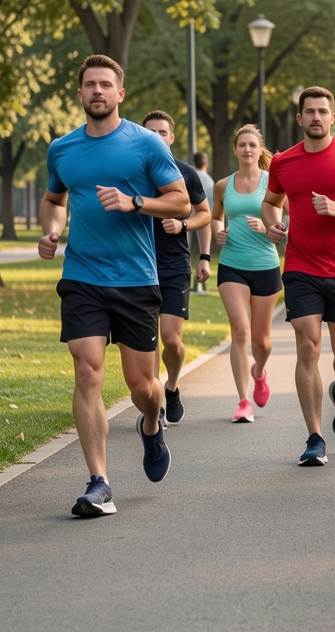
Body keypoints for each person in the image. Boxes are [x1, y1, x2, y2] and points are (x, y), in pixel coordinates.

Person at [39, 55, 191, 518]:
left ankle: (151, 422)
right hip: (82, 275)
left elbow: (181, 203)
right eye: (90, 85)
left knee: (143, 385)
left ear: (120, 94)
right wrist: (52, 229)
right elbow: (53, 199)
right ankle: (98, 482)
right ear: (80, 93)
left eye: (106, 84)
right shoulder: (62, 149)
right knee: (87, 369)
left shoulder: (145, 145)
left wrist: (135, 201)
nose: (98, 91)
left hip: (136, 279)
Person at [261, 87, 335, 466]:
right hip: (300, 268)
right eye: (309, 111)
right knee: (308, 346)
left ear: (333, 117)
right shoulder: (283, 162)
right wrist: (274, 224)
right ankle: (314, 436)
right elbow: (270, 203)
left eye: (322, 111)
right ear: (299, 119)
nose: (316, 117)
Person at [141, 111, 212, 426]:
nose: (156, 137)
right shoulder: (134, 173)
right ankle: (153, 400)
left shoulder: (185, 174)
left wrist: (183, 225)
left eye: (162, 132)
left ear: (171, 137)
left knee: (170, 337)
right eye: (150, 132)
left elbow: (205, 214)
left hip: (174, 266)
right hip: (139, 266)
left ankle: (171, 386)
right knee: (148, 340)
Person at [212, 125, 283, 424]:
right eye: (241, 145)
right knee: (240, 331)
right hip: (232, 264)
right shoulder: (222, 185)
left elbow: (292, 216)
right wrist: (218, 233)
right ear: (235, 149)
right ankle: (243, 401)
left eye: (252, 145)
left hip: (266, 264)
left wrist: (270, 229)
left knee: (261, 342)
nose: (247, 150)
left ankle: (259, 372)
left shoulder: (273, 182)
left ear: (259, 148)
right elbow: (215, 217)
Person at [192, 152, 215, 292]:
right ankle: (200, 284)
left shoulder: (188, 175)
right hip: (202, 221)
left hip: (186, 219)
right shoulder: (209, 181)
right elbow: (210, 205)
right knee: (203, 253)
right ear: (205, 163)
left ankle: (190, 283)